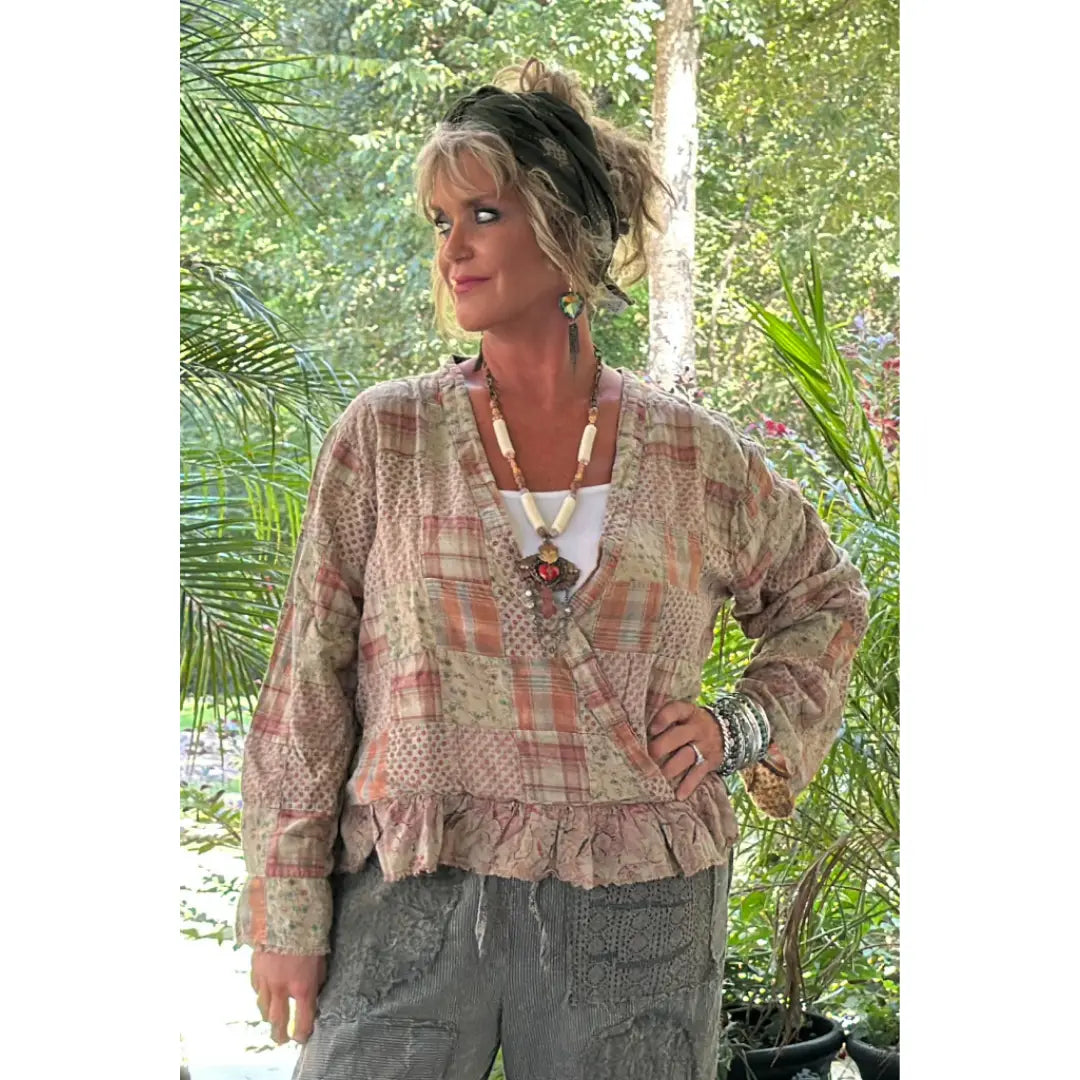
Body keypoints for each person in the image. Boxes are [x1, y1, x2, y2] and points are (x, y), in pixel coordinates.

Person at [236, 58, 869, 1080]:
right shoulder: (386, 438)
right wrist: (287, 905)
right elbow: (307, 680)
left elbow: (824, 596)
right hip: (410, 885)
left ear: (566, 227)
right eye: (441, 222)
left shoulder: (692, 456)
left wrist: (742, 727)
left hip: (636, 906)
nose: (453, 249)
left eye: (483, 214)